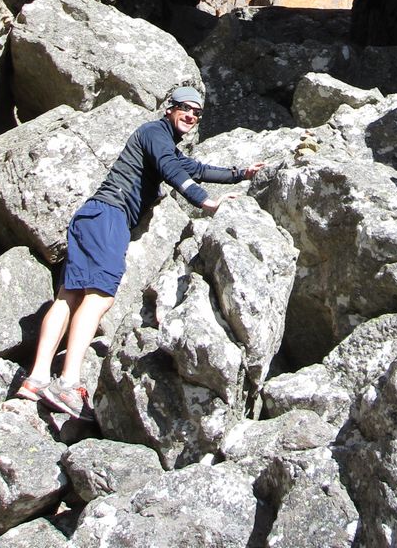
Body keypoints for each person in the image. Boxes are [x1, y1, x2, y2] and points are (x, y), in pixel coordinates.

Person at [14, 85, 264, 420]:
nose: (191, 116)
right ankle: (69, 382)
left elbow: (195, 168)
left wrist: (241, 174)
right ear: (169, 108)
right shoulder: (154, 133)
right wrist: (207, 203)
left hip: (91, 216)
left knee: (68, 296)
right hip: (110, 216)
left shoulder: (160, 141)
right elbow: (173, 171)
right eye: (185, 108)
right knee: (98, 298)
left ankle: (37, 379)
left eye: (197, 112)